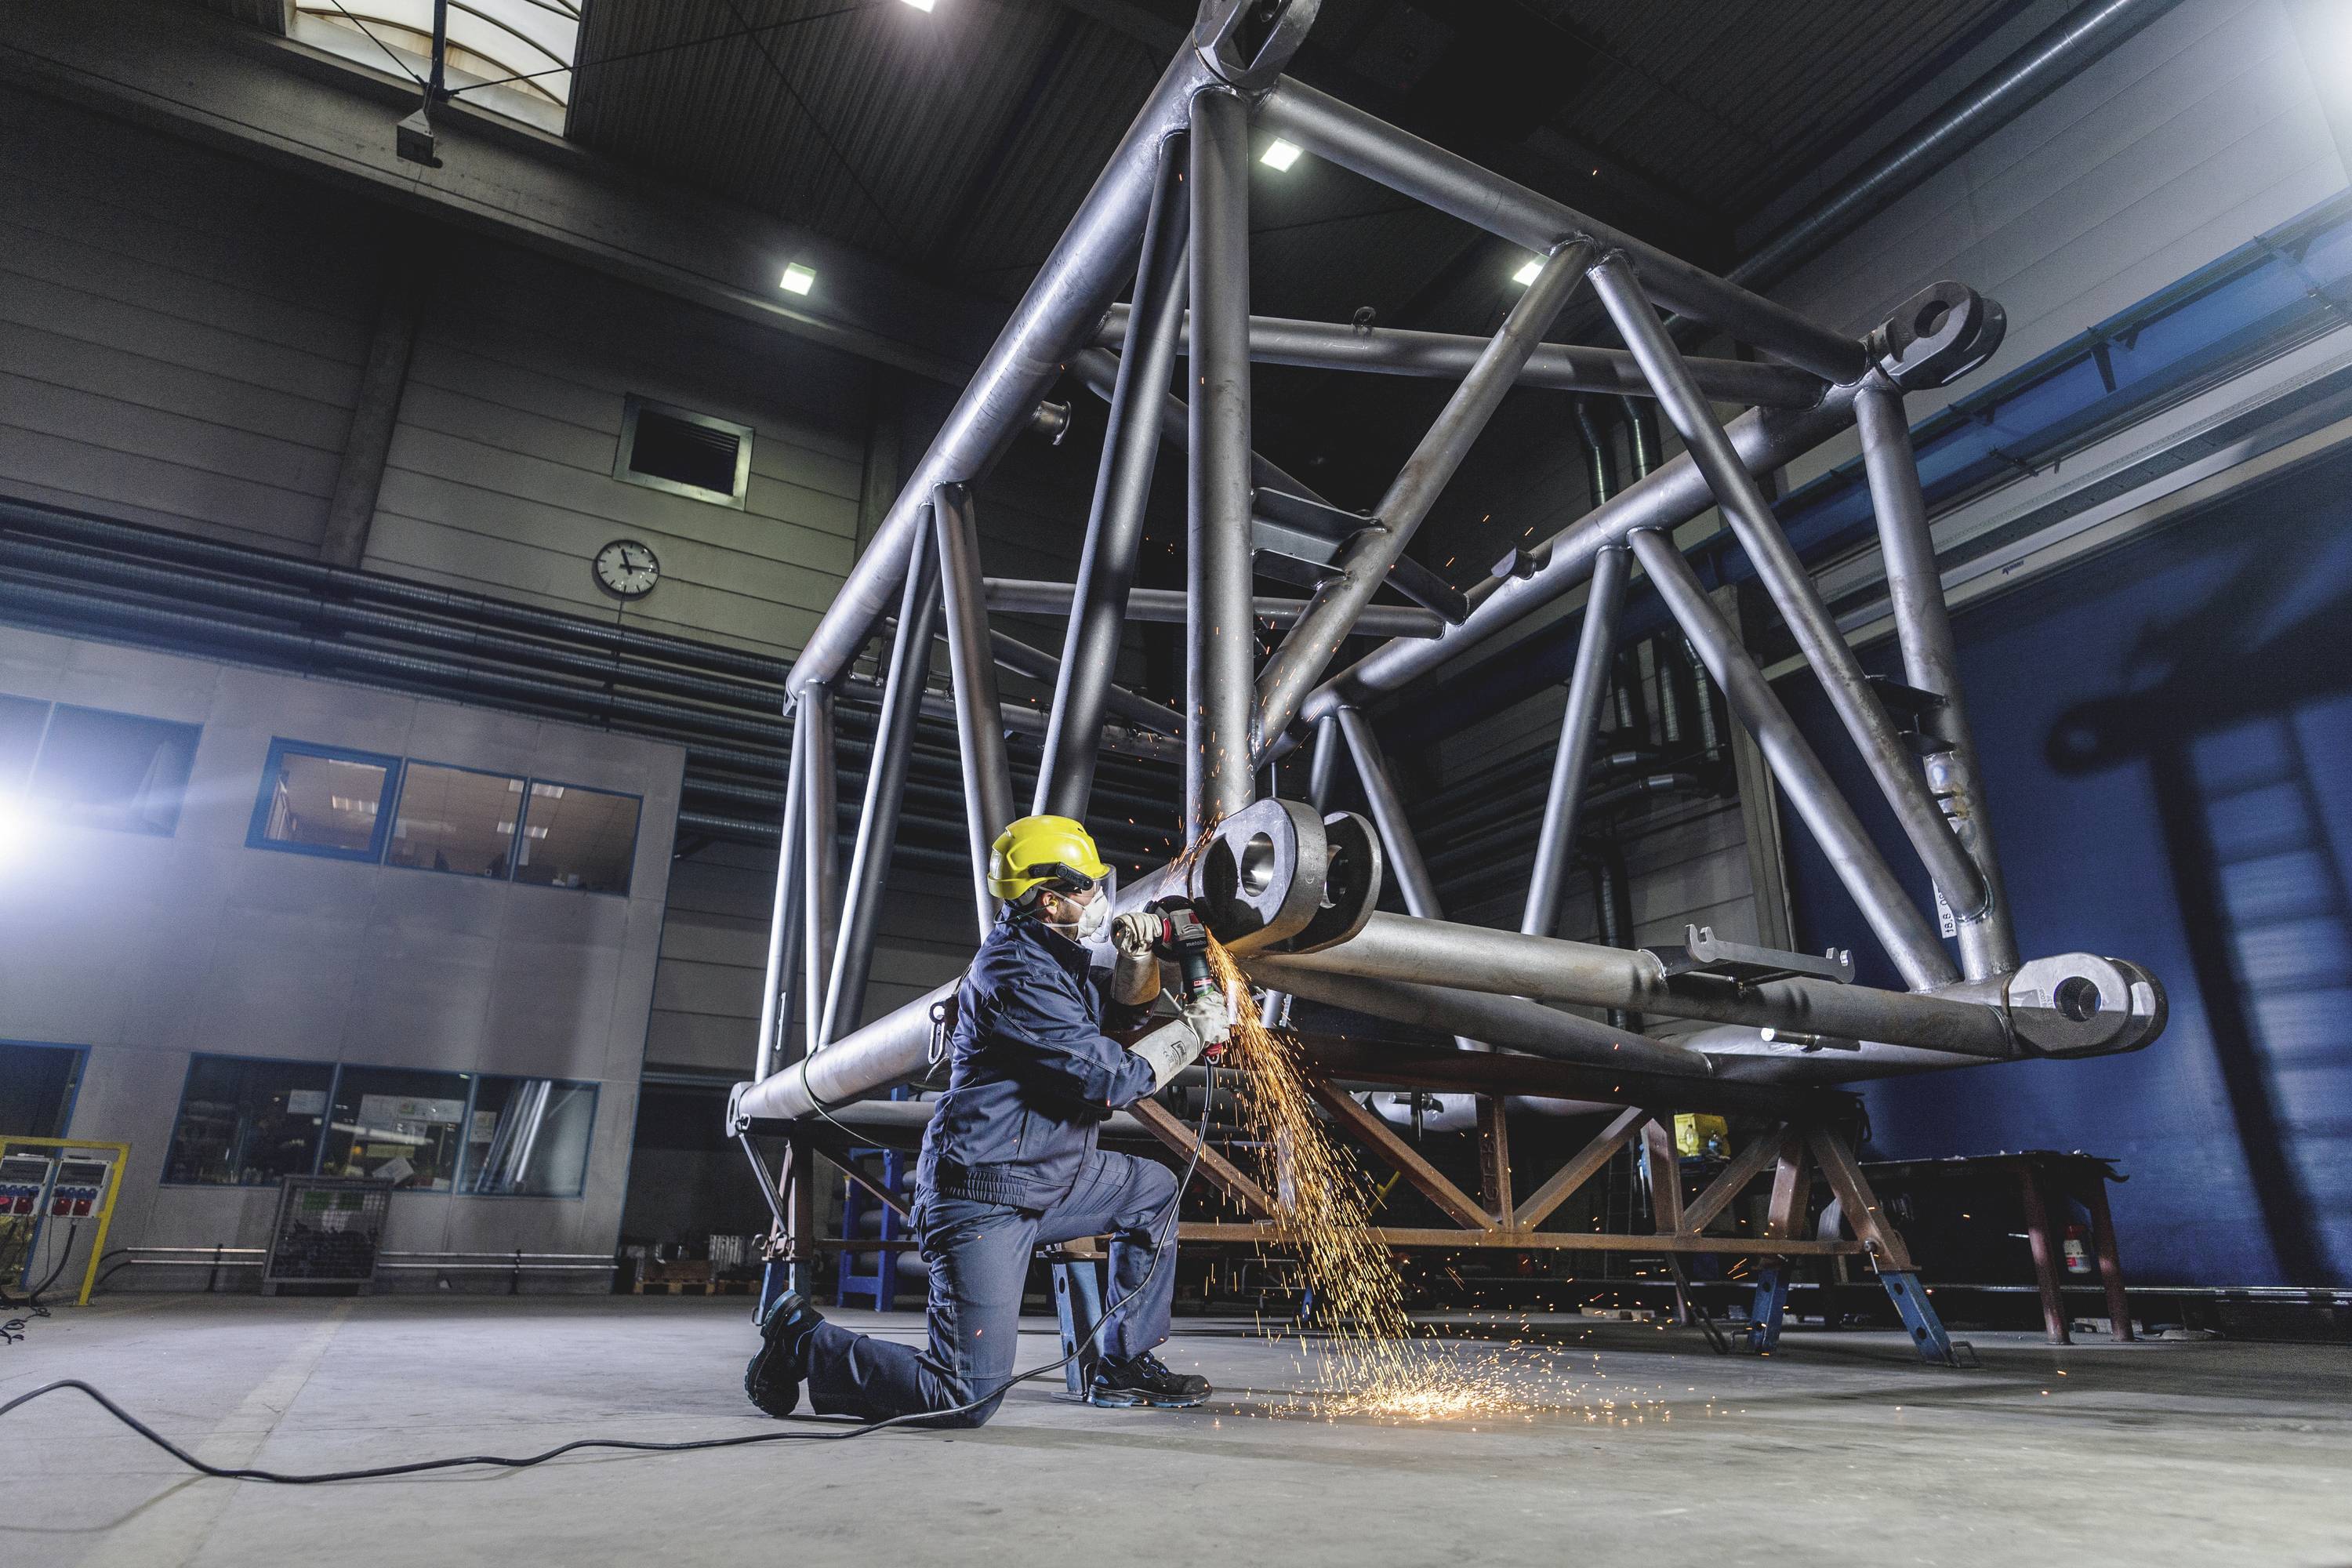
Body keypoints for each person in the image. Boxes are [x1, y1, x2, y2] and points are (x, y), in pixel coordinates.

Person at [743, 815, 1232, 1425]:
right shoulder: (1016, 975)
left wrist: (1138, 957)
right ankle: (802, 1339)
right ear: (1049, 899)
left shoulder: (1056, 958)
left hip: (1053, 1177)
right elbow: (1111, 1078)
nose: (1098, 898)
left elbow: (1122, 1017)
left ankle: (1124, 1364)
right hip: (985, 1194)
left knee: (1153, 1190)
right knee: (963, 1396)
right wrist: (1193, 1032)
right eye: (1087, 888)